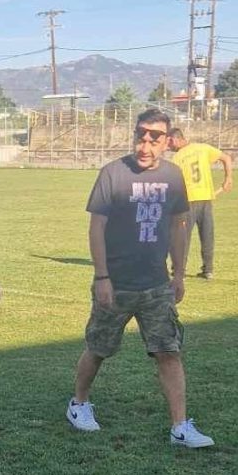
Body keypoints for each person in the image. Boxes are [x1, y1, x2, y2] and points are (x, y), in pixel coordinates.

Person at [66, 108, 214, 448]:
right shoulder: (113, 174)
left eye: (154, 139)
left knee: (168, 350)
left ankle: (180, 426)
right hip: (116, 282)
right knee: (98, 348)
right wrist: (102, 276)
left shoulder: (174, 176)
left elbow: (178, 226)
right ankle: (79, 404)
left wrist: (179, 273)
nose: (145, 146)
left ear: (166, 141)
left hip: (156, 285)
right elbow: (96, 227)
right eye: (140, 137)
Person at [167, 128, 233, 280]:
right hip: (205, 198)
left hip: (187, 200)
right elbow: (226, 158)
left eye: (169, 143)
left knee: (182, 237)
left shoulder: (177, 158)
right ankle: (208, 270)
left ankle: (179, 271)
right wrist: (228, 178)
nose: (168, 147)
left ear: (175, 139)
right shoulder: (203, 148)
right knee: (207, 235)